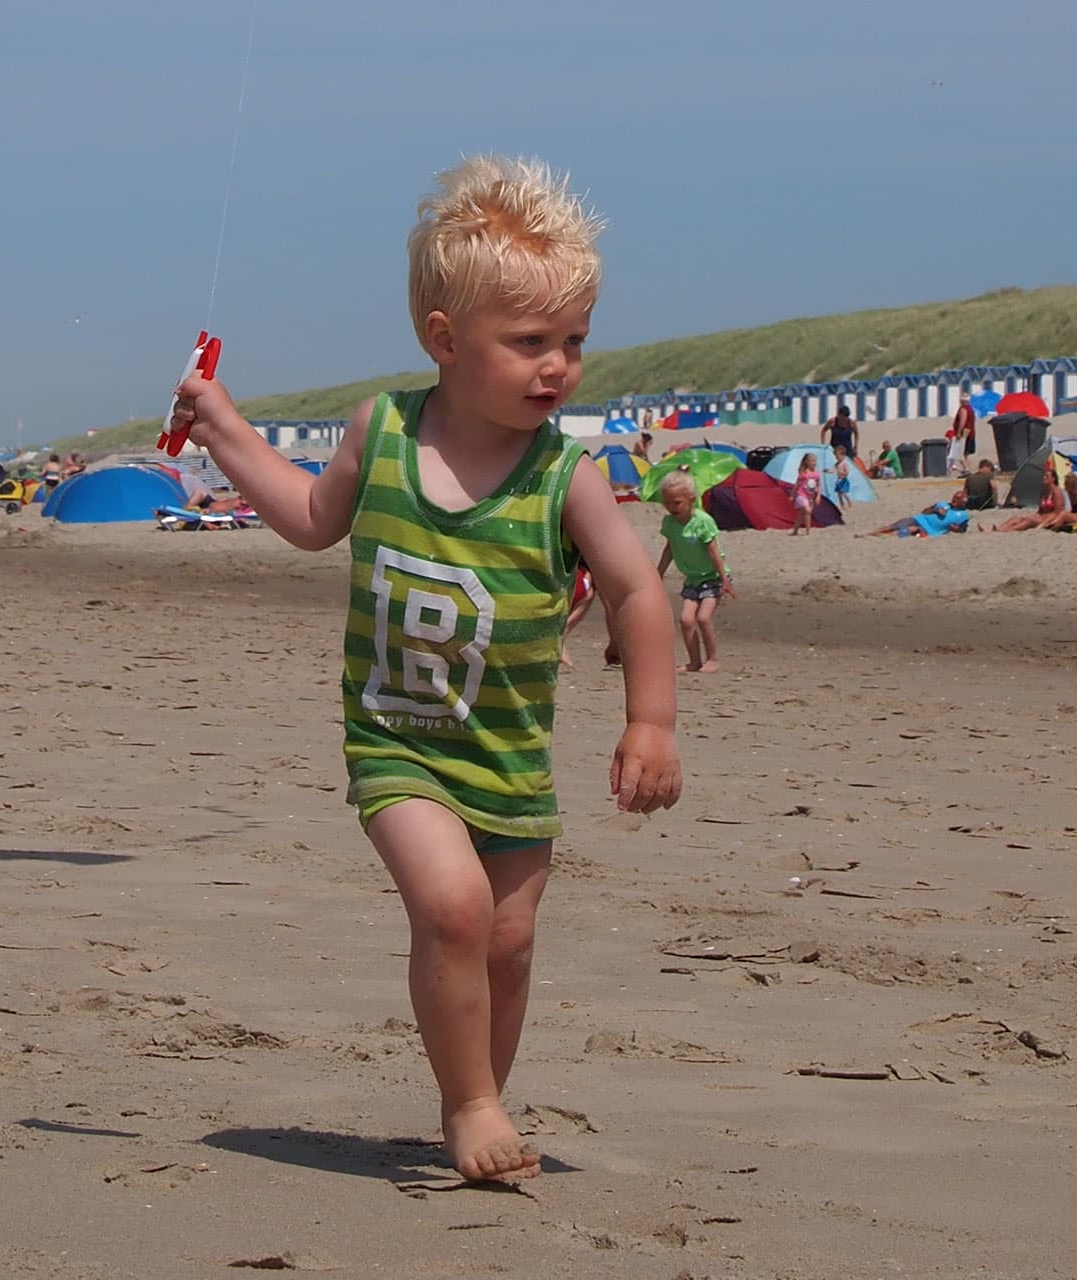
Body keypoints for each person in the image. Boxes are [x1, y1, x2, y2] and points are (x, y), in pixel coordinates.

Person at [165, 155, 682, 1183]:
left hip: (512, 757)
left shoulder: (564, 477)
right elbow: (314, 518)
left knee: (508, 945)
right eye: (529, 342)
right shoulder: (384, 432)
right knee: (452, 908)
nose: (558, 366)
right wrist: (224, 430)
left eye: (573, 341)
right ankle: (471, 1103)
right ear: (445, 341)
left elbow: (636, 591)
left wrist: (651, 720)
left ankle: (484, 1092)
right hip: (399, 740)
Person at [653, 472, 735, 674]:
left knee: (703, 618)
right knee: (686, 620)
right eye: (667, 503)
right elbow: (669, 548)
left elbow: (714, 552)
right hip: (692, 580)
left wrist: (725, 580)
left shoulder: (702, 521)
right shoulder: (670, 523)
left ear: (691, 500)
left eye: (677, 503)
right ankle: (694, 661)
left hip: (713, 577)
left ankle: (713, 659)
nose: (671, 508)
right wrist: (658, 574)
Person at [858, 490, 970, 537]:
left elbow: (963, 529)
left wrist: (956, 530)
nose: (953, 500)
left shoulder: (963, 515)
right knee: (894, 525)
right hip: (919, 519)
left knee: (910, 530)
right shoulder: (942, 504)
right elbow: (924, 511)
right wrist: (936, 510)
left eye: (957, 499)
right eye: (954, 498)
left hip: (928, 530)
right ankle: (869, 533)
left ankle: (884, 536)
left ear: (963, 502)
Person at [790, 452, 822, 534]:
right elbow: (796, 484)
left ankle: (795, 531)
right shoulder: (804, 473)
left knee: (801, 514)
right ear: (807, 462)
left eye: (815, 461)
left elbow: (819, 486)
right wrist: (792, 496)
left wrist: (818, 496)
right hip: (801, 495)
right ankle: (808, 532)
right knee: (807, 511)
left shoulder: (816, 474)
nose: (814, 463)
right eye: (812, 461)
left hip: (810, 497)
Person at [950, 394, 978, 475]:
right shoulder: (970, 409)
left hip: (965, 433)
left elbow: (963, 420)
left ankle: (966, 469)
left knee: (959, 452)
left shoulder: (964, 409)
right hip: (970, 432)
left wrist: (959, 432)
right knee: (965, 454)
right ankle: (966, 468)